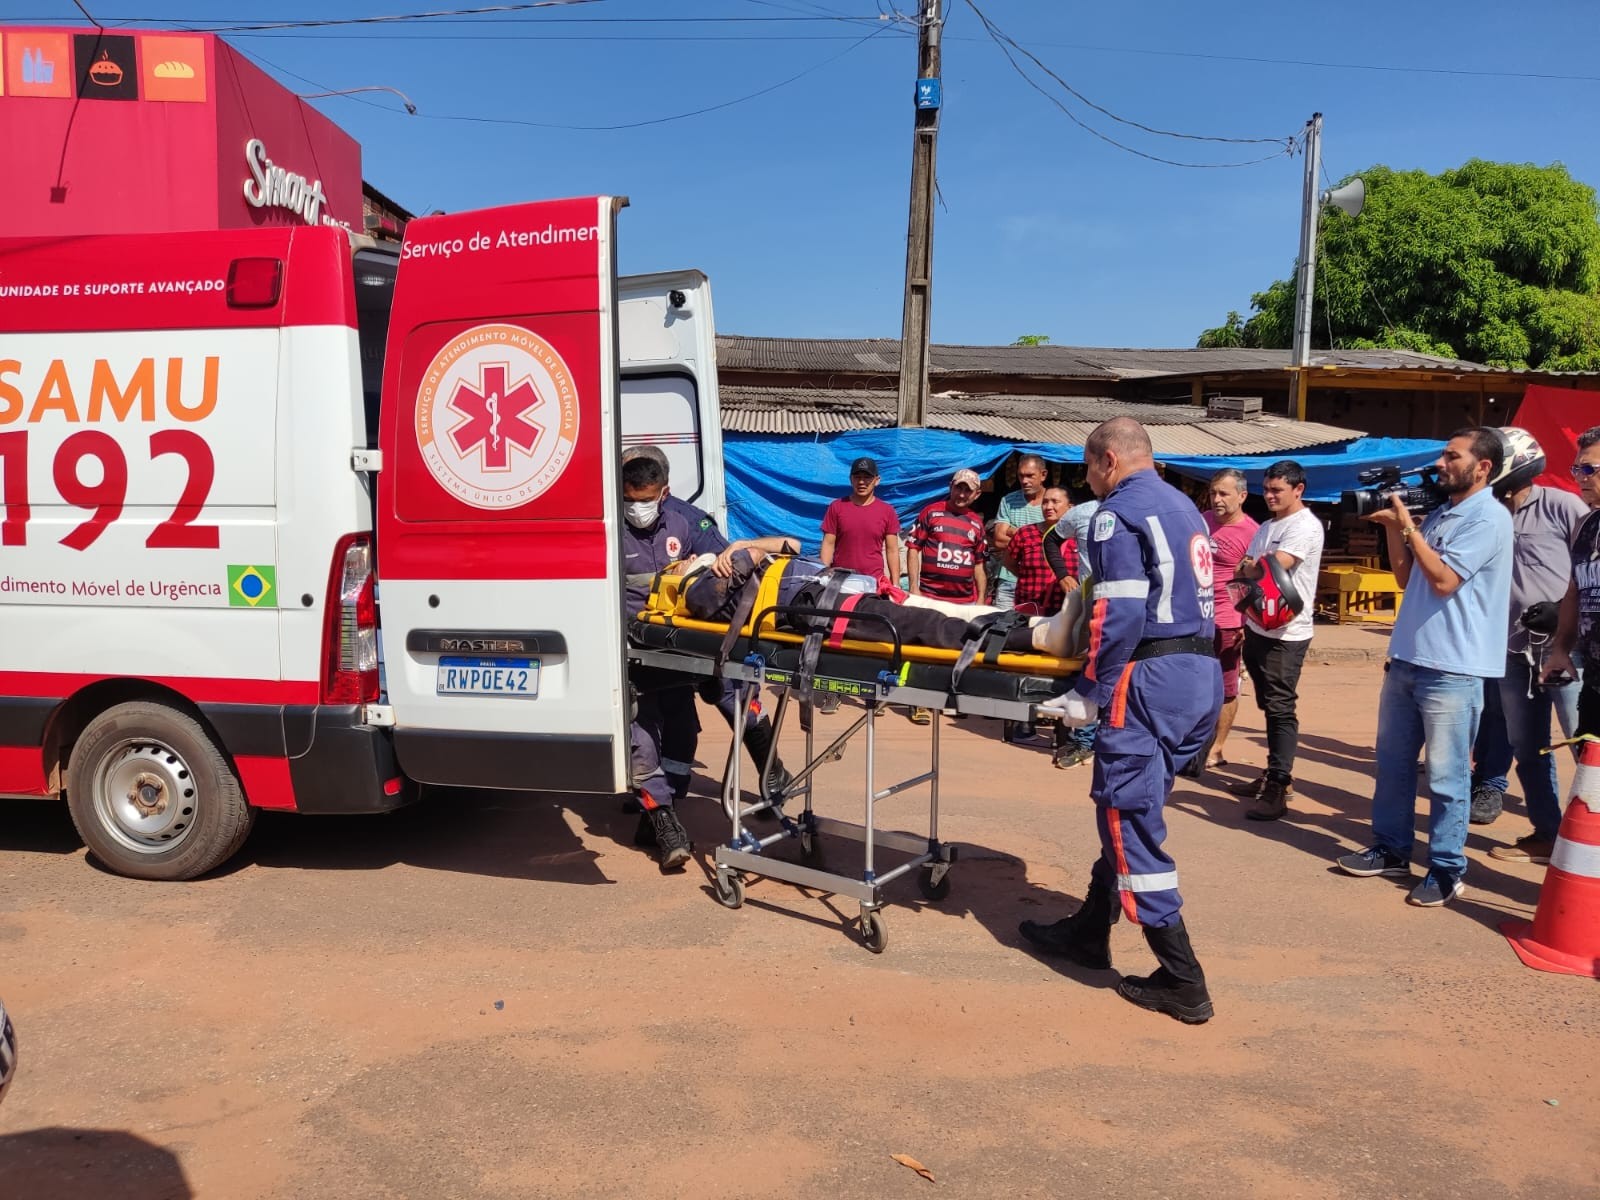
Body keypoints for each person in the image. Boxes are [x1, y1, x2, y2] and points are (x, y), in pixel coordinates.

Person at [1019, 417, 1222, 1025]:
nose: (1087, 481)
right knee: (1136, 805)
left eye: (1086, 469)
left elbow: (1118, 611)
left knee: (1127, 814)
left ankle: (1183, 980)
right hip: (1198, 678)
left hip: (1148, 679)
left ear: (1107, 460)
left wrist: (1090, 687)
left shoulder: (1116, 513)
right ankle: (1090, 926)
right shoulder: (1185, 507)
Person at [1336, 428, 1514, 907]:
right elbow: (1406, 576)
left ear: (1483, 467)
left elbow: (1444, 580)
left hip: (1453, 668)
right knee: (1392, 767)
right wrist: (1395, 527)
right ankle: (1391, 849)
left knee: (1447, 775)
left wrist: (1409, 527)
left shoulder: (1490, 518)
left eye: (1452, 456)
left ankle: (1447, 867)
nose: (1440, 462)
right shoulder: (1440, 514)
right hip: (1409, 660)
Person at [621, 455, 796, 871]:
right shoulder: (611, 527)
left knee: (735, 695)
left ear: (663, 493)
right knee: (643, 730)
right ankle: (663, 819)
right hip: (637, 646)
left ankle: (772, 769)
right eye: (629, 500)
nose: (636, 509)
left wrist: (719, 563)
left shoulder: (687, 521)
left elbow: (729, 568)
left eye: (644, 500)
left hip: (693, 641)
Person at [1467, 430, 1586, 859]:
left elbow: (1590, 567)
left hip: (1566, 649)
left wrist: (1559, 610)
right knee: (1527, 747)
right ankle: (1547, 833)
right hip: (1511, 649)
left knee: (1584, 742)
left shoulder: (1562, 506)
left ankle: (1590, 841)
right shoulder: (1487, 515)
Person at [1229, 460, 1324, 821]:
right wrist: (1254, 564)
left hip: (1288, 632)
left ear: (1298, 490)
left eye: (1277, 490)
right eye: (1266, 489)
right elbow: (1247, 565)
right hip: (1257, 624)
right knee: (1269, 705)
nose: (1269, 496)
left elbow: (1271, 566)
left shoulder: (1306, 526)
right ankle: (1273, 771)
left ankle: (1279, 785)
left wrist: (1256, 564)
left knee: (1281, 707)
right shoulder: (1267, 526)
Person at [906, 468, 988, 724]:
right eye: (958, 487)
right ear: (951, 486)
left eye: (968, 489)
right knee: (922, 648)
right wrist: (914, 589)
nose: (962, 493)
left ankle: (951, 698)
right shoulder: (931, 512)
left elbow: (978, 565)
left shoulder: (977, 523)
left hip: (962, 601)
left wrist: (981, 598)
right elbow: (912, 549)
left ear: (976, 494)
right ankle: (918, 701)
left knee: (957, 650)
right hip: (930, 595)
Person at [1202, 469, 1260, 770]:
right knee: (1195, 684)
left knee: (1226, 687)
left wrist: (1247, 623)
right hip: (1196, 617)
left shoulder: (1252, 533)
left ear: (1242, 496)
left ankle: (1217, 748)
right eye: (1213, 493)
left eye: (1224, 493)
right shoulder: (1203, 521)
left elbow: (1256, 584)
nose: (1217, 499)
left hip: (1228, 620)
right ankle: (1195, 743)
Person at [1043, 487, 1102, 769]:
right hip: (1093, 603)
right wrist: (1063, 574)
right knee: (1092, 668)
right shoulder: (1084, 512)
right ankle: (1084, 741)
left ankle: (1111, 738)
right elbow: (1051, 540)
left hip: (1133, 606)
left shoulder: (1139, 509)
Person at [820, 457, 901, 583]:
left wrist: (895, 584)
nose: (861, 482)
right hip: (840, 580)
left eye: (867, 477)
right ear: (851, 479)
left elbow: (892, 550)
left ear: (877, 480)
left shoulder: (887, 511)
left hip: (873, 582)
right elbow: (828, 544)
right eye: (857, 477)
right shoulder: (837, 507)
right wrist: (823, 575)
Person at [990, 454, 1048, 608]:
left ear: (1043, 475)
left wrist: (1015, 532)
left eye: (1030, 476)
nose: (1024, 481)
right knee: (1001, 628)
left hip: (1042, 583)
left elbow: (1057, 543)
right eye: (1021, 476)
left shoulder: (1052, 503)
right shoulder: (1008, 501)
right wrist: (1037, 542)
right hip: (1008, 581)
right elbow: (998, 540)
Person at [1003, 487, 1069, 616]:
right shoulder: (1026, 533)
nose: (1048, 507)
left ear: (1070, 507)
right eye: (1044, 502)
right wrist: (1027, 577)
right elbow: (1008, 562)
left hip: (1066, 614)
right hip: (1029, 611)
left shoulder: (1078, 537)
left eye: (1055, 501)